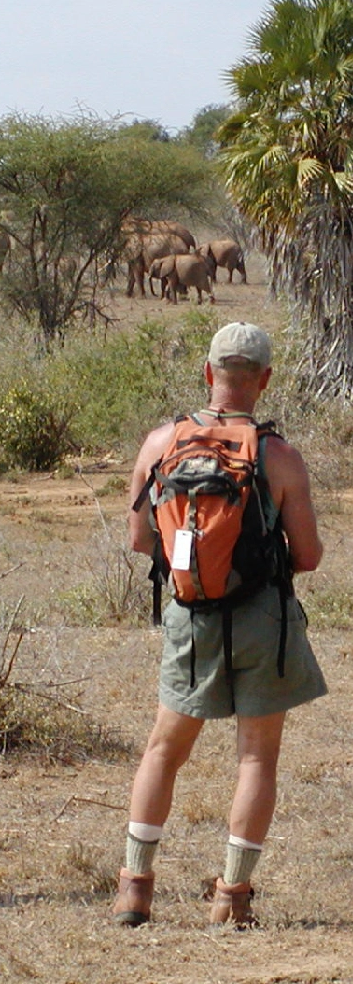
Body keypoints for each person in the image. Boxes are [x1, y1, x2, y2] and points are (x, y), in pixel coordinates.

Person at [112, 322, 327, 928]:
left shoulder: (161, 444)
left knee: (163, 748)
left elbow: (138, 539)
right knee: (257, 758)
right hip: (263, 618)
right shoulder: (278, 455)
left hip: (190, 616)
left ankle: (135, 886)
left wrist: (195, 568)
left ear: (208, 374)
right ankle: (231, 897)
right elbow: (307, 557)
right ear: (264, 380)